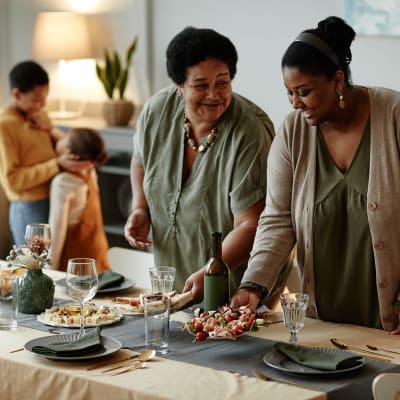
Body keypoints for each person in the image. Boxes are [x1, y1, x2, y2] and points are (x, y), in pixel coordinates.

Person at [231, 16, 400, 333]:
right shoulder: (293, 132)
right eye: (289, 93)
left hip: (391, 321)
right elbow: (278, 219)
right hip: (321, 321)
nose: (295, 104)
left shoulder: (393, 116)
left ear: (337, 80)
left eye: (304, 92)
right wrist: (253, 285)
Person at [124, 27, 275, 300]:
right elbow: (140, 160)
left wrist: (212, 271)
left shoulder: (249, 132)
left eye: (222, 82)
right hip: (171, 282)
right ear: (179, 86)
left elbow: (250, 224)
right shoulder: (156, 111)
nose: (214, 95)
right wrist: (140, 208)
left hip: (234, 289)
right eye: (200, 85)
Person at [0, 60, 90, 246]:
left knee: (53, 263)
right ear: (17, 94)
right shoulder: (5, 126)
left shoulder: (39, 116)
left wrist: (50, 129)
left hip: (53, 196)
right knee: (34, 267)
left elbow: (59, 147)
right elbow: (13, 180)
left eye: (44, 98)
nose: (41, 105)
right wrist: (57, 165)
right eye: (36, 100)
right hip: (29, 206)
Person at [49, 127, 111, 273]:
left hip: (75, 256)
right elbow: (81, 144)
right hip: (98, 249)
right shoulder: (89, 171)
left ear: (72, 155)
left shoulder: (63, 182)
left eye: (64, 138)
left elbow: (56, 229)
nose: (60, 138)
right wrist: (50, 129)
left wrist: (50, 269)